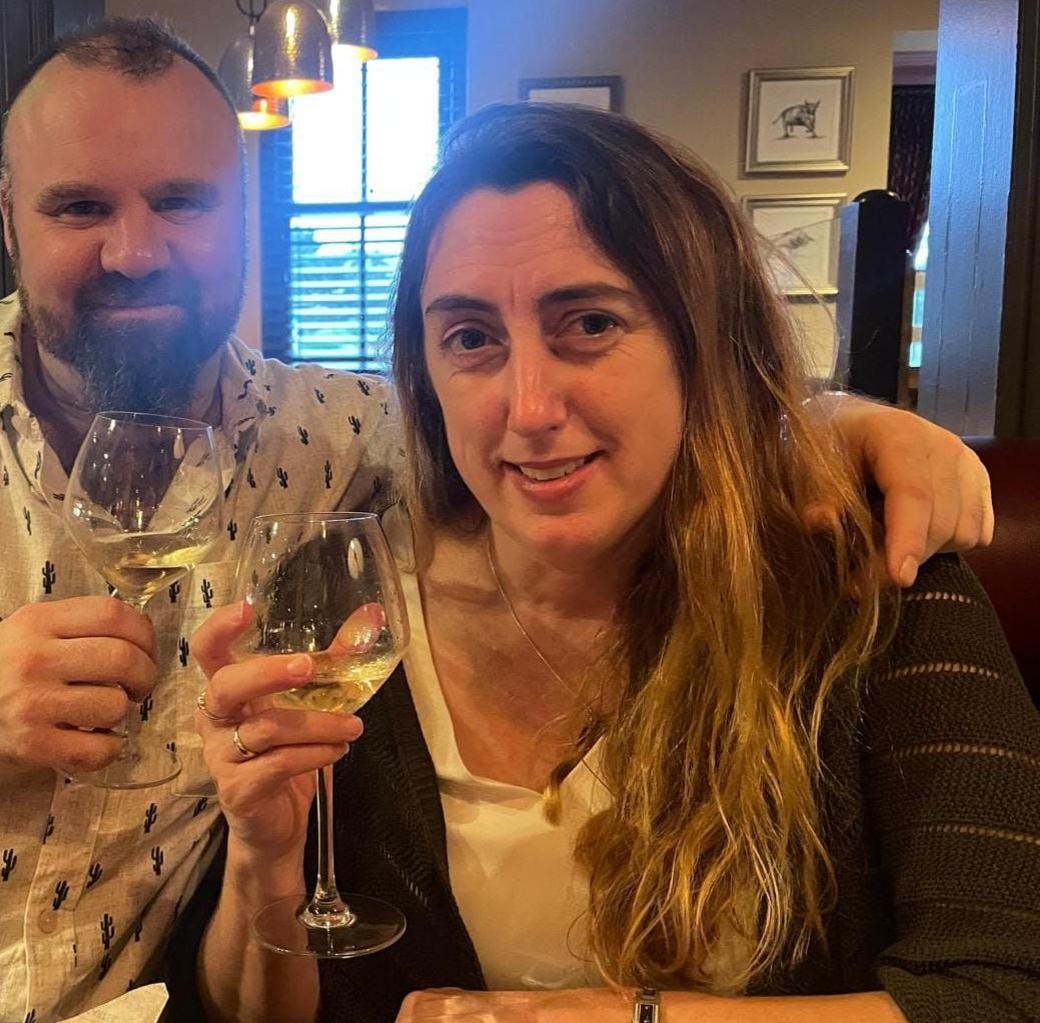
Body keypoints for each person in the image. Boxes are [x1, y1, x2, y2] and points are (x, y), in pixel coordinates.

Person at [0, 21, 994, 1023]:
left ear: (247, 212)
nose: (136, 247)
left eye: (185, 200)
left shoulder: (331, 446)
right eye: (80, 204)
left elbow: (550, 422)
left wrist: (840, 421)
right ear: (11, 215)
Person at [186, 103, 1039, 1023]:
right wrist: (263, 862)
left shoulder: (872, 585)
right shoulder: (340, 603)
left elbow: (1004, 991)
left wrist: (621, 1017)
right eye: (471, 337)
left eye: (588, 322)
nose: (530, 406)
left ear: (702, 342)